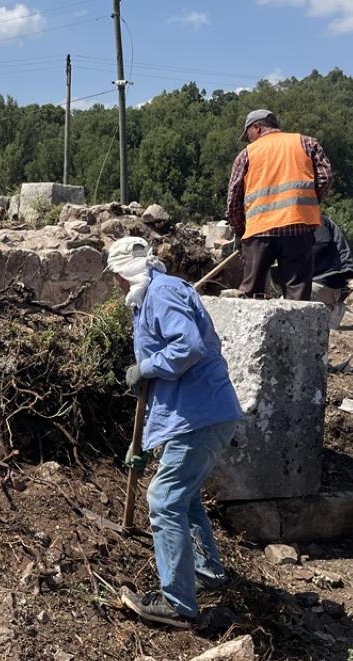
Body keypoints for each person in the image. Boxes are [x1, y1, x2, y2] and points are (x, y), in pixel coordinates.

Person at [108, 237, 243, 629]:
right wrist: (147, 445)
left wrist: (147, 367)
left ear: (124, 272)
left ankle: (179, 605)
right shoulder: (152, 295)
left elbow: (188, 347)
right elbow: (169, 389)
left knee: (164, 499)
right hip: (199, 414)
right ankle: (207, 572)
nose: (115, 284)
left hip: (201, 416)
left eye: (115, 276)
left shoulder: (162, 295)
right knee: (183, 496)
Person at [226, 108, 334, 301]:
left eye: (248, 134)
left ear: (257, 127)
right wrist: (305, 205)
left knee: (252, 294)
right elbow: (325, 179)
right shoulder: (306, 143)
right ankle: (297, 331)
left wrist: (240, 229)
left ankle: (251, 330)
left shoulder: (247, 154)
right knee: (297, 293)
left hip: (259, 231)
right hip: (298, 227)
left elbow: (234, 197)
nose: (248, 139)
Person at [309, 214, 353, 328]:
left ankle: (331, 309)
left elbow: (320, 246)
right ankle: (330, 306)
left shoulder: (317, 222)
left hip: (325, 282)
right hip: (336, 282)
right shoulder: (322, 220)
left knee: (289, 305)